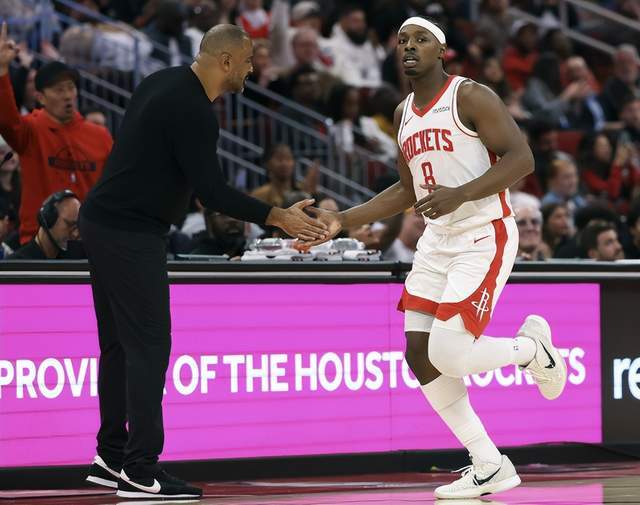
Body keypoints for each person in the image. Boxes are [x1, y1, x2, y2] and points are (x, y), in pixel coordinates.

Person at [307, 17, 567, 499]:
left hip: (482, 233)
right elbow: (407, 190)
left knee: (449, 352)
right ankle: (489, 463)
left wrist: (461, 193)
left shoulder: (470, 96)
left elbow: (522, 159)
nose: (409, 47)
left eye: (421, 40)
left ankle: (533, 350)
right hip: (437, 241)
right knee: (419, 354)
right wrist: (343, 219)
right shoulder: (403, 112)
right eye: (402, 40)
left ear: (442, 50)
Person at [76, 24, 328, 500]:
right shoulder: (194, 109)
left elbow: (153, 161)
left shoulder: (160, 80)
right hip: (130, 232)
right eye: (248, 61)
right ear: (226, 61)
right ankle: (140, 469)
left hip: (102, 221)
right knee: (149, 347)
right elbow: (212, 193)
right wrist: (278, 217)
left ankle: (111, 456)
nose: (252, 69)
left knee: (119, 347)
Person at [0, 24, 112, 244]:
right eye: (59, 90)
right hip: (40, 243)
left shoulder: (101, 136)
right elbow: (5, 120)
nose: (67, 95)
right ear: (40, 97)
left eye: (71, 88)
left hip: (90, 243)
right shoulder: (31, 130)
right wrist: (2, 71)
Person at [7, 190, 81, 260]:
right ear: (49, 218)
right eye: (69, 224)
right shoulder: (15, 264)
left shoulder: (76, 258)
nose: (75, 234)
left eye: (77, 227)